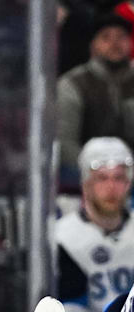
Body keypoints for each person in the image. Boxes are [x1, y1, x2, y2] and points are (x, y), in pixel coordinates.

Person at [56, 137, 134, 312]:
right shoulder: (64, 235)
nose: (111, 187)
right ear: (86, 183)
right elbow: (69, 307)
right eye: (102, 178)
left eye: (118, 178)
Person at [58, 13, 134, 187]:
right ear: (93, 45)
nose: (114, 44)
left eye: (121, 37)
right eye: (106, 38)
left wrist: (126, 173)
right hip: (82, 174)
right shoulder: (73, 84)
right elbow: (66, 143)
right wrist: (100, 174)